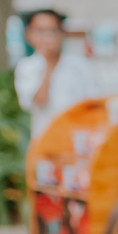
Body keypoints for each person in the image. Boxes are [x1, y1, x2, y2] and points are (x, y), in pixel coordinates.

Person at [14, 8, 98, 139]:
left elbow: (95, 103)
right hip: (46, 140)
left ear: (62, 33)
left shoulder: (80, 65)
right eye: (40, 31)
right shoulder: (26, 67)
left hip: (79, 138)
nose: (47, 37)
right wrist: (49, 65)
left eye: (52, 31)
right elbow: (38, 101)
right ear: (29, 34)